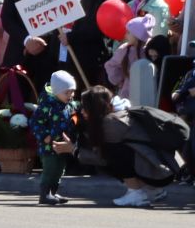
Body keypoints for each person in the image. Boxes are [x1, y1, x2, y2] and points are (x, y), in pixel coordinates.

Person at [60, 85, 188, 208]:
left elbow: (100, 159)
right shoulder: (119, 114)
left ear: (95, 108)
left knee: (110, 153)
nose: (82, 111)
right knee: (115, 152)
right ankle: (151, 190)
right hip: (162, 168)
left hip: (159, 171)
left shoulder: (111, 123)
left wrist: (73, 149)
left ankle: (136, 193)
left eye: (86, 107)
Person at [31, 71, 77, 205]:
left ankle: (53, 191)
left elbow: (75, 115)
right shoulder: (47, 106)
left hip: (63, 145)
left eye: (72, 92)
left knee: (59, 169)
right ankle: (44, 194)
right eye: (66, 92)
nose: (70, 95)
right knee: (50, 169)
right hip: (49, 145)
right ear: (57, 91)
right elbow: (35, 122)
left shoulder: (69, 105)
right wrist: (44, 135)